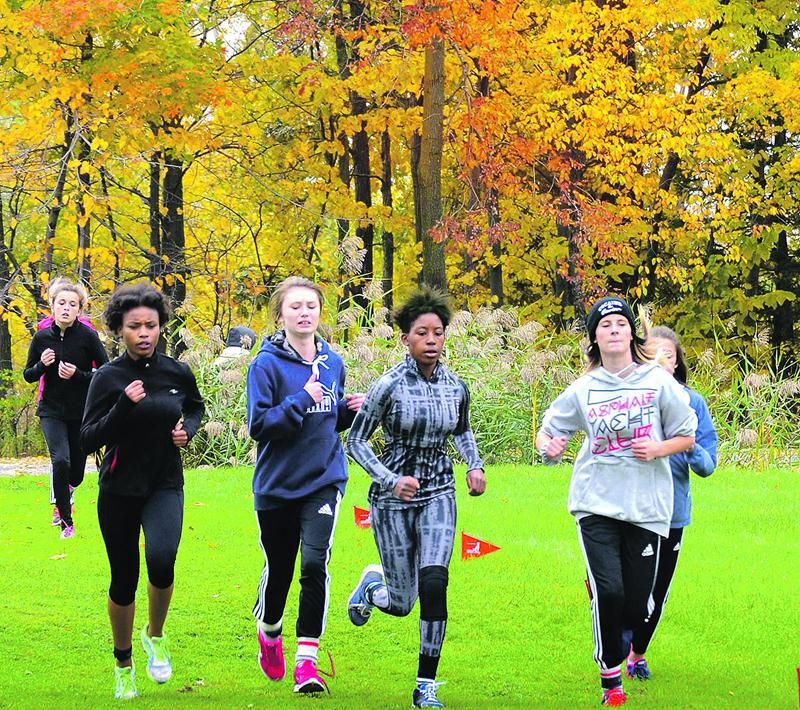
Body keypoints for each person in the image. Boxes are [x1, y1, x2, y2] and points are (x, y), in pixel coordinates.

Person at [535, 296, 697, 707]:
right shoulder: (584, 388)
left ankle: (616, 616)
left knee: (639, 603)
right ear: (594, 337)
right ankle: (610, 678)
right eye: (604, 324)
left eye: (619, 323)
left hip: (647, 505)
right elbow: (549, 430)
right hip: (596, 501)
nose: (612, 329)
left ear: (631, 333)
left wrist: (657, 449)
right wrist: (549, 447)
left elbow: (687, 435)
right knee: (609, 593)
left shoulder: (657, 381)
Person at [346, 287, 487, 709]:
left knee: (434, 583)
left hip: (439, 490)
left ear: (445, 338)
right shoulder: (387, 386)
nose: (430, 340)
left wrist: (474, 464)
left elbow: (461, 428)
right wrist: (390, 480)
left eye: (438, 333)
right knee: (403, 602)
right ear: (405, 338)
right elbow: (355, 442)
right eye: (421, 332)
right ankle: (373, 589)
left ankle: (425, 684)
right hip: (391, 501)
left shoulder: (456, 386)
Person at [81, 283, 205, 700]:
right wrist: (122, 407)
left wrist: (186, 429)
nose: (144, 333)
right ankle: (123, 663)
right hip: (118, 488)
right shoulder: (107, 377)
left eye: (151, 325)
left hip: (164, 483)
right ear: (120, 330)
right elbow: (87, 438)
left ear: (160, 327)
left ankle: (156, 635)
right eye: (135, 326)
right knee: (123, 579)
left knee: (162, 557)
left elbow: (195, 406)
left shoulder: (177, 372)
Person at [246, 276, 364, 695]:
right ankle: (270, 631)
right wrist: (301, 398)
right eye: (295, 307)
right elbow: (259, 425)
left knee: (314, 564)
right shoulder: (265, 365)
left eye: (310, 306)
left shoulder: (333, 361)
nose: (304, 313)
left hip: (324, 479)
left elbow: (329, 418)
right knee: (280, 568)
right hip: (277, 486)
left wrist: (352, 411)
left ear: (320, 312)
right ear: (281, 315)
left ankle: (307, 664)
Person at [624, 324, 717, 681]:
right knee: (626, 587)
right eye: (655, 354)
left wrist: (689, 445)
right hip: (631, 508)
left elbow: (708, 464)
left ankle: (637, 654)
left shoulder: (693, 404)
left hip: (672, 512)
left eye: (670, 356)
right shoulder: (628, 397)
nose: (663, 361)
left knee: (655, 592)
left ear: (677, 364)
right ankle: (613, 624)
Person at [23, 278, 108, 539]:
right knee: (60, 460)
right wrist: (42, 366)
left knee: (76, 473)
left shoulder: (88, 336)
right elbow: (28, 375)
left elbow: (105, 372)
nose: (66, 308)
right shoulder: (41, 337)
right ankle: (66, 521)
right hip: (51, 410)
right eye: (61, 303)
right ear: (52, 306)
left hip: (81, 412)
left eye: (72, 304)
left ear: (79, 310)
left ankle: (66, 493)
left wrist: (79, 375)